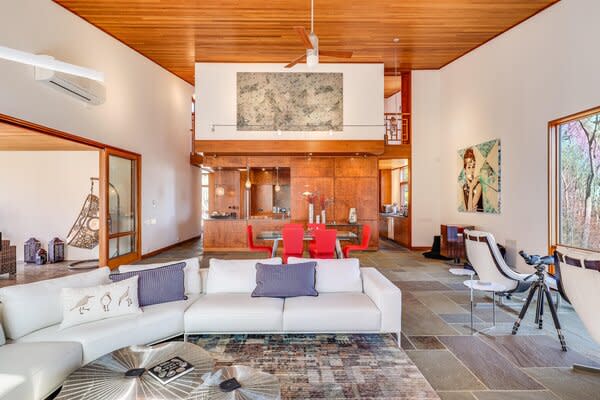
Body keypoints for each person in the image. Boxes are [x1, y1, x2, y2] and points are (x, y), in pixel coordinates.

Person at [462, 147, 483, 212]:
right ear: (465, 169)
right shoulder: (464, 187)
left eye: (473, 166)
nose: (472, 170)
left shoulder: (478, 186)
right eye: (469, 167)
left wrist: (471, 188)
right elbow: (466, 211)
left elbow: (470, 211)